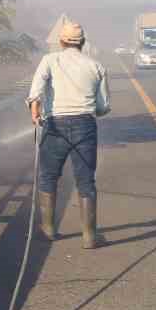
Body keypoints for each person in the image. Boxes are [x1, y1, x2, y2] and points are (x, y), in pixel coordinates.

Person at [27, 20, 111, 248]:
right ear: (83, 42)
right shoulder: (97, 66)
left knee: (48, 177)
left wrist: (35, 108)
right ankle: (90, 237)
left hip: (55, 126)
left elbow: (35, 91)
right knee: (86, 180)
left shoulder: (49, 60)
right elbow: (103, 107)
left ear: (61, 41)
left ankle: (47, 229)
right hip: (85, 125)